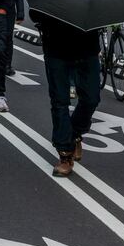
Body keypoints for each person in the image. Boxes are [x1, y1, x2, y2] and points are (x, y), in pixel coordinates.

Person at [30, 10, 100, 177]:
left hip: (87, 47)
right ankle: (65, 155)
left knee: (91, 98)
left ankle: (74, 134)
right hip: (56, 48)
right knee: (59, 101)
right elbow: (35, 13)